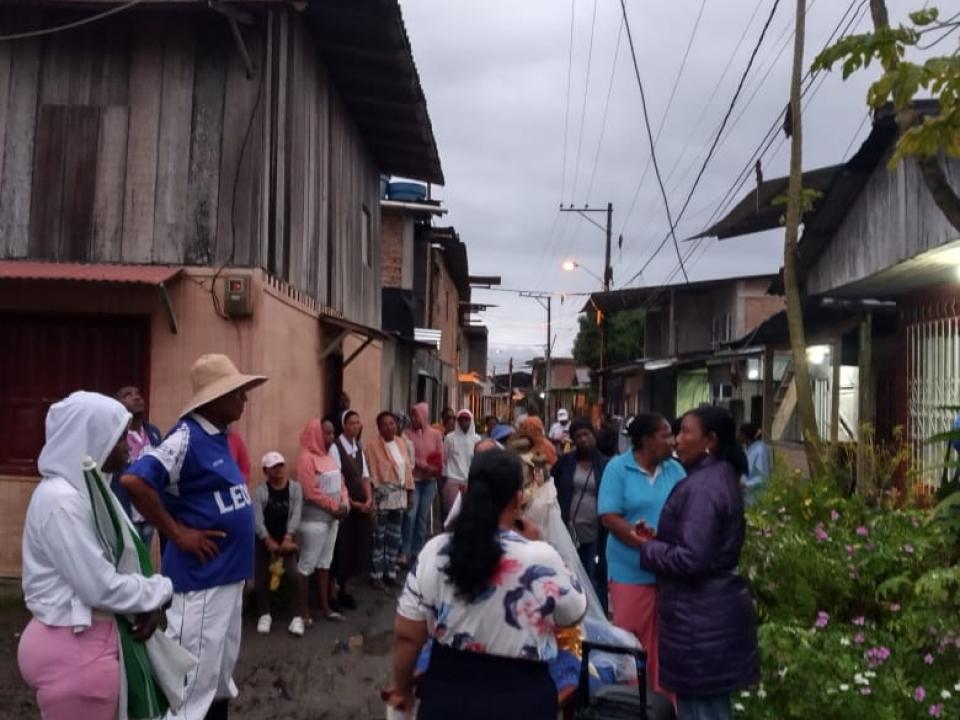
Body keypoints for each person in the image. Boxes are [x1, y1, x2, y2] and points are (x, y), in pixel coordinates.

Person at [386, 450, 587, 719]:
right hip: (521, 698)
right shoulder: (541, 557)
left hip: (447, 696)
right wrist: (540, 543)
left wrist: (401, 689)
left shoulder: (436, 550)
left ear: (467, 491)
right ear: (518, 499)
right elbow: (573, 613)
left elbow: (407, 635)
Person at [122, 353, 267, 720]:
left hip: (228, 578)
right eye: (237, 393)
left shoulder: (218, 438)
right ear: (215, 398)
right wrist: (178, 533)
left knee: (217, 679)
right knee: (190, 689)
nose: (244, 400)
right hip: (202, 582)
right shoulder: (186, 436)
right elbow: (135, 480)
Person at [18, 392, 173, 720]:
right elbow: (99, 587)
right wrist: (159, 592)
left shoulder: (90, 491)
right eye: (119, 438)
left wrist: (144, 603)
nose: (126, 447)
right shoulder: (61, 501)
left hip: (87, 644)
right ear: (92, 438)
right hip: (74, 653)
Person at [638, 406, 760, 719]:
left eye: (685, 432)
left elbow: (694, 558)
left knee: (702, 711)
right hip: (706, 616)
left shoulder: (704, 487)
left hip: (701, 622)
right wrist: (662, 541)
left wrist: (649, 548)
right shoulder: (713, 477)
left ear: (710, 440)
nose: (677, 440)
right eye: (676, 433)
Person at [598, 412, 685, 697]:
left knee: (667, 644)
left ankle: (665, 706)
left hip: (669, 572)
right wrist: (641, 541)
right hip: (630, 572)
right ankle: (633, 704)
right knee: (632, 643)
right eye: (666, 436)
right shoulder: (618, 468)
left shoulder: (675, 470)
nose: (672, 442)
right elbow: (609, 516)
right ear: (647, 440)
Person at [551, 417, 610, 607]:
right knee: (569, 574)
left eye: (586, 434)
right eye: (579, 436)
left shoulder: (605, 464)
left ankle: (595, 619)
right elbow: (552, 487)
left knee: (593, 575)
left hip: (595, 530)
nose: (583, 439)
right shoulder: (565, 463)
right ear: (573, 440)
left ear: (593, 435)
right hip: (569, 529)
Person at [295, 419, 350, 623]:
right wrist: (334, 507)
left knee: (325, 563)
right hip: (314, 521)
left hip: (332, 520)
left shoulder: (329, 457)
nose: (331, 437)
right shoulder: (306, 459)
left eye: (332, 433)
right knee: (307, 564)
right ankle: (303, 611)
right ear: (316, 434)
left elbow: (342, 483)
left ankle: (325, 607)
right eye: (326, 434)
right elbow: (310, 491)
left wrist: (344, 503)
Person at [253, 452, 305, 636]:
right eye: (274, 466)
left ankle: (296, 617)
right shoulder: (260, 492)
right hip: (265, 539)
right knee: (261, 576)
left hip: (286, 539)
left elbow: (296, 514)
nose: (279, 469)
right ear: (265, 470)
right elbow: (257, 520)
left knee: (292, 575)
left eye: (281, 465)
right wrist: (268, 541)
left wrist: (288, 537)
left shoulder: (295, 489)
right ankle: (264, 614)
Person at [329, 410, 374, 609]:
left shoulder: (358, 447)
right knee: (340, 549)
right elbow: (337, 478)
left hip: (360, 505)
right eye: (351, 423)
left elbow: (365, 476)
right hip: (345, 506)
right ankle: (332, 593)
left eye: (358, 422)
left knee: (356, 548)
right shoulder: (335, 448)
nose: (355, 426)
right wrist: (353, 503)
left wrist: (369, 498)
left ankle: (345, 589)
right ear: (344, 425)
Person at [367, 411, 415, 587]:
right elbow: (372, 473)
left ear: (396, 425)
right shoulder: (373, 446)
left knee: (395, 536)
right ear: (379, 427)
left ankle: (391, 572)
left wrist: (410, 493)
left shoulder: (401, 443)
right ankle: (377, 574)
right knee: (379, 537)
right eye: (385, 424)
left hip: (400, 498)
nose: (389, 427)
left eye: (392, 423)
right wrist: (375, 499)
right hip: (382, 498)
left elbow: (408, 470)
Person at [111, 385, 163, 547]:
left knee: (144, 562)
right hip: (126, 514)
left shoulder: (153, 433)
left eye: (138, 393)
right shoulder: (116, 436)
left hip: (149, 514)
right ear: (118, 404)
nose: (137, 397)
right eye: (128, 395)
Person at [401, 403, 444, 564]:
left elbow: (440, 455)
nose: (413, 419)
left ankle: (417, 551)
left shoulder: (435, 434)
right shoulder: (406, 434)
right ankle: (405, 550)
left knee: (422, 518)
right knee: (410, 516)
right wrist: (422, 465)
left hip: (430, 481)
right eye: (412, 415)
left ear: (424, 416)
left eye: (416, 415)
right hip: (414, 481)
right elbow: (406, 455)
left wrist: (434, 468)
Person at [442, 409, 478, 515]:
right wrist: (444, 478)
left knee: (469, 513)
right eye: (461, 420)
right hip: (453, 480)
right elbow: (444, 458)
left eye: (467, 420)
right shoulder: (450, 438)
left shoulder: (477, 439)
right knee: (452, 513)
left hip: (471, 481)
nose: (464, 422)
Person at [739, 423, 772, 506]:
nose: (739, 436)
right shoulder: (745, 448)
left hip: (756, 497)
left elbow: (764, 477)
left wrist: (746, 484)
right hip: (744, 496)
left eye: (741, 434)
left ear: (745, 436)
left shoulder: (760, 450)